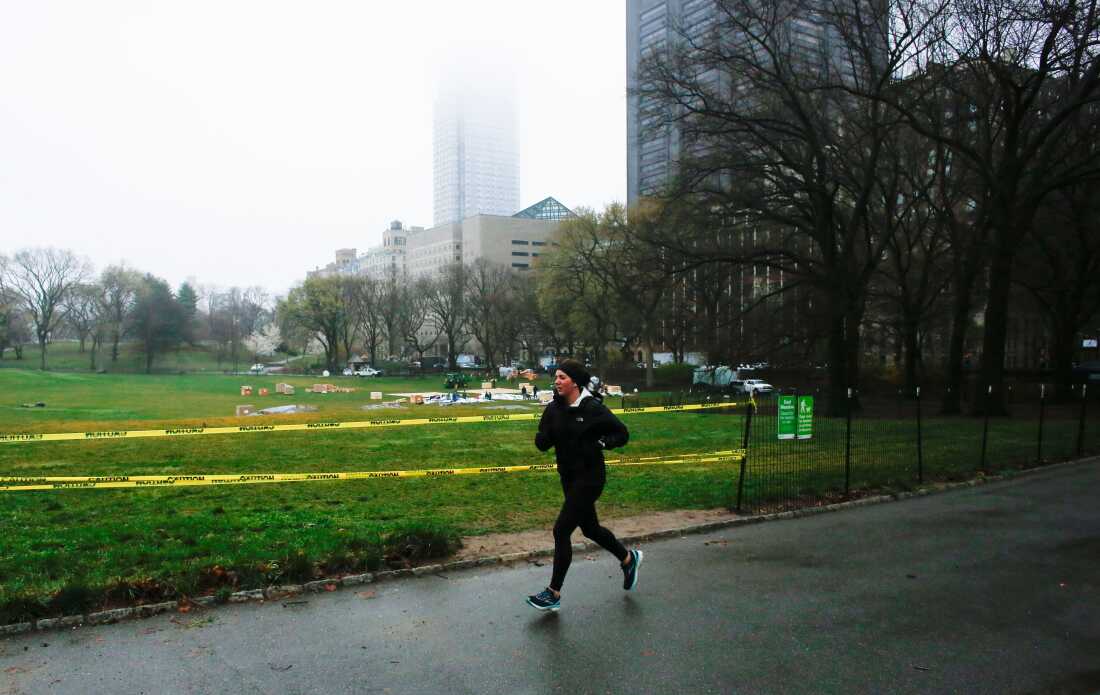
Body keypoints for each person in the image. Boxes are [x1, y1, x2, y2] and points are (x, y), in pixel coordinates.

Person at [526, 359, 642, 612]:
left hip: (590, 477)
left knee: (561, 530)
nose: (556, 381)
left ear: (575, 382)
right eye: (556, 377)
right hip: (568, 477)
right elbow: (542, 443)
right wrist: (543, 435)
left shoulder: (592, 408)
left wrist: (602, 443)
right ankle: (627, 558)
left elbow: (621, 434)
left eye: (562, 378)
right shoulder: (554, 408)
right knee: (590, 529)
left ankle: (553, 593)